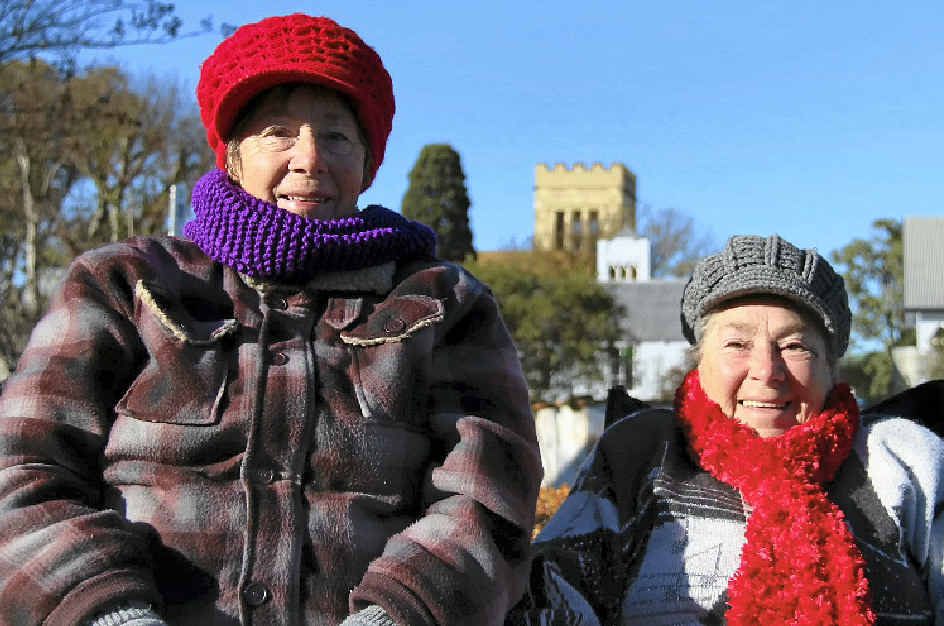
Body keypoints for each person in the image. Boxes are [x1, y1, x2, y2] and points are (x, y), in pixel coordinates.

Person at [0, 14, 542, 626]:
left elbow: (489, 498)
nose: (309, 159)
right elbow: (22, 471)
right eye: (277, 134)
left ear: (367, 163)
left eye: (337, 137)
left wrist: (396, 617)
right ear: (231, 155)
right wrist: (105, 613)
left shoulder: (442, 303)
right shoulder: (123, 282)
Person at [511, 235, 944, 625]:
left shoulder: (906, 458)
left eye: (795, 346)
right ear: (699, 362)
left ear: (830, 366)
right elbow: (550, 599)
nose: (767, 371)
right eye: (736, 345)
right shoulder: (640, 454)